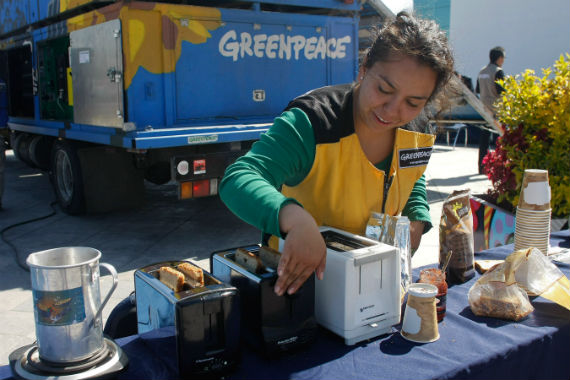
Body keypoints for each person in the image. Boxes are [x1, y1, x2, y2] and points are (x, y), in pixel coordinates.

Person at [220, 12, 455, 297]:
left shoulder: (415, 130)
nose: (393, 111)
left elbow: (411, 176)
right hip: (299, 291)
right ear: (364, 69)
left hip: (371, 291)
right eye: (384, 89)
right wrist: (295, 219)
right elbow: (239, 177)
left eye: (413, 102)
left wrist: (416, 216)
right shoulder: (314, 123)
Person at [476, 46, 506, 174]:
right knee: (502, 138)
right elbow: (502, 91)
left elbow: (477, 90)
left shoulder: (482, 71)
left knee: (484, 139)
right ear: (499, 58)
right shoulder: (498, 71)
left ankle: (481, 167)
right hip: (496, 109)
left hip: (483, 109)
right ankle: (501, 166)